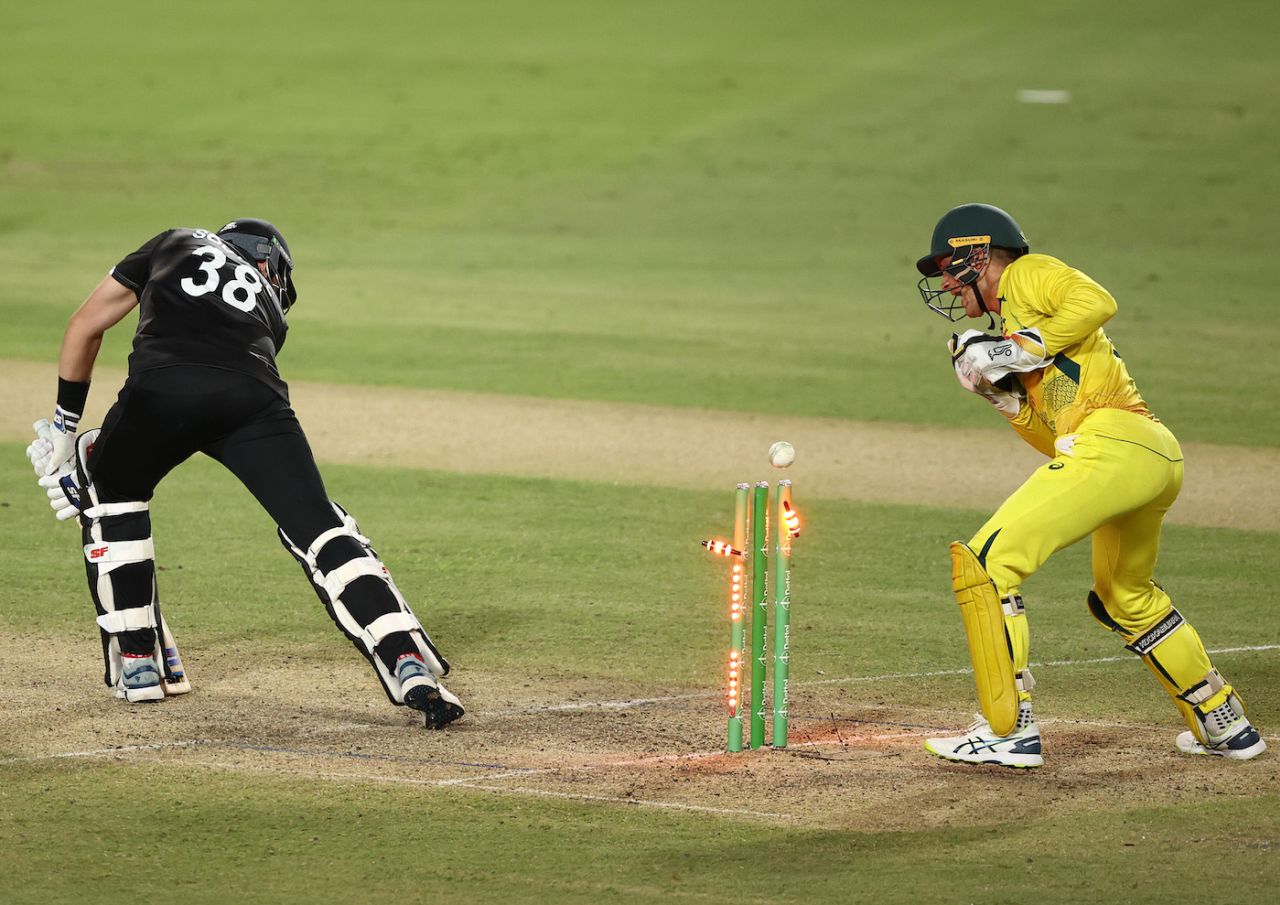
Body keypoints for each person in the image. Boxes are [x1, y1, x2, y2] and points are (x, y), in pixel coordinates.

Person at [24, 219, 464, 729]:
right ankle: (406, 659)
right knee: (320, 527)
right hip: (254, 399)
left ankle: (140, 661)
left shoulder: (173, 240)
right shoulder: (271, 310)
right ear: (266, 261)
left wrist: (65, 428)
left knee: (108, 489)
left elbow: (85, 325)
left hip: (162, 388)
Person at [913, 203, 1264, 767]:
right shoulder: (1024, 327)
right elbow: (1061, 441)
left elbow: (1098, 300)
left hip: (1116, 446)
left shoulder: (1026, 275)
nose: (948, 285)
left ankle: (1008, 731)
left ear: (979, 253)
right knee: (1125, 597)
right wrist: (1003, 399)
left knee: (986, 564)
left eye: (948, 269)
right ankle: (1224, 723)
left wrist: (1014, 350)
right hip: (1148, 456)